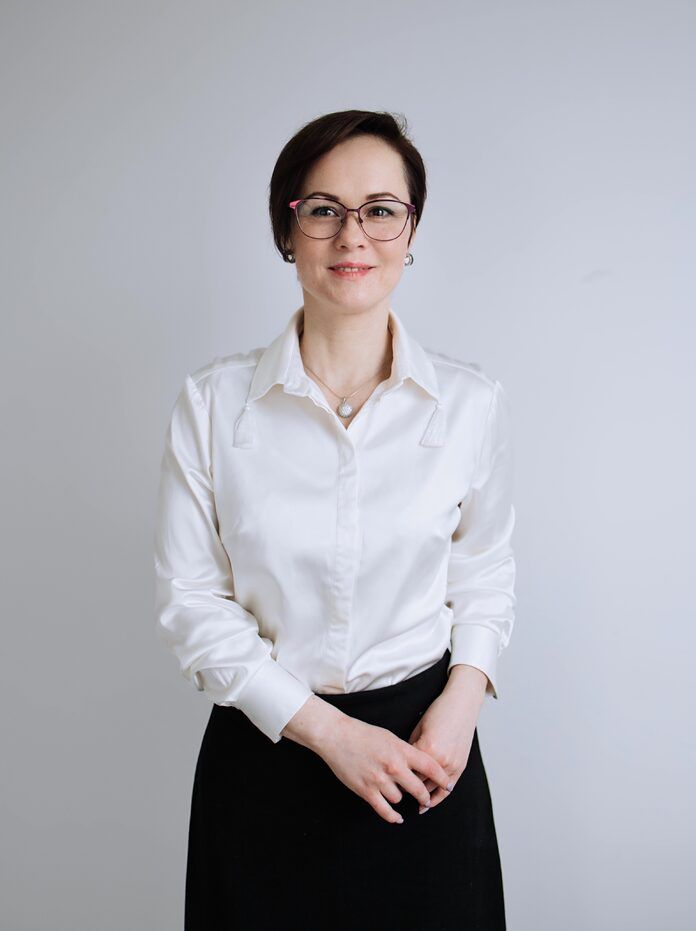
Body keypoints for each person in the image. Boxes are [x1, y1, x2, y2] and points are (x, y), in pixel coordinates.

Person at [153, 109, 517, 930]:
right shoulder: (211, 406)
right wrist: (330, 734)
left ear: (410, 229)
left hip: (425, 753)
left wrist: (462, 703)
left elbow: (484, 570)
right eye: (323, 209)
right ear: (288, 230)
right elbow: (191, 602)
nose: (353, 235)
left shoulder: (470, 405)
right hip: (266, 754)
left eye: (381, 209)